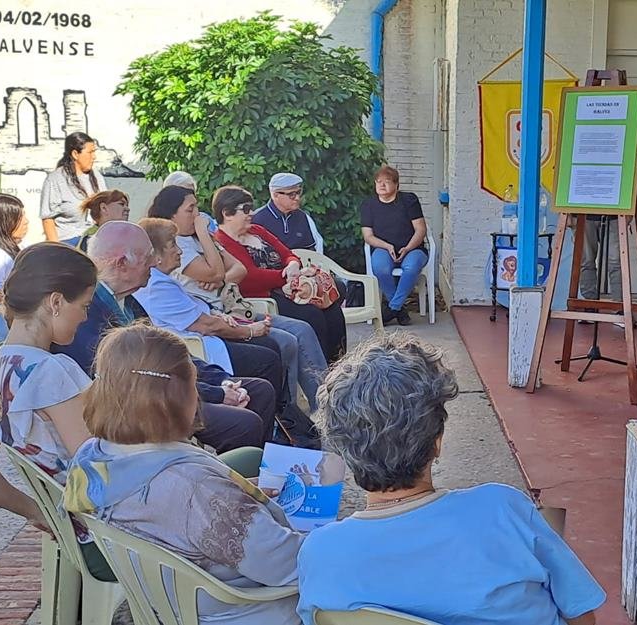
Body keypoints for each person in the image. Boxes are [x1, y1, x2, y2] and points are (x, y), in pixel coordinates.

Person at [296, 333, 606, 625]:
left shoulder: (320, 553)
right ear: (437, 442)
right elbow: (581, 613)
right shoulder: (504, 509)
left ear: (343, 449)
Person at [64, 324, 303, 625]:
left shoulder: (90, 457)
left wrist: (233, 495)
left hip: (163, 600)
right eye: (194, 383)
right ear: (176, 396)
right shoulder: (194, 488)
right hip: (241, 611)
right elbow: (286, 565)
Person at [54, 221, 279, 455]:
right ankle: (219, 479)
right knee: (244, 423)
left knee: (260, 390)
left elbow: (168, 353)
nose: (154, 262)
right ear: (121, 263)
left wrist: (221, 380)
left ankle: (256, 473)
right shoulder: (89, 314)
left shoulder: (129, 301)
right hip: (141, 405)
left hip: (166, 388)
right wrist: (218, 393)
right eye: (147, 257)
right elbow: (135, 381)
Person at [0, 242, 115, 580]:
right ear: (56, 302)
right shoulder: (51, 371)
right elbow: (97, 470)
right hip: (108, 539)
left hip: (75, 532)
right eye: (84, 306)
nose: (86, 317)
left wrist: (37, 511)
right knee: (245, 463)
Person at [134, 217, 285, 390]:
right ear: (156, 255)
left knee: (273, 344)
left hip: (215, 329)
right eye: (173, 245)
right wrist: (249, 331)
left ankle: (283, 412)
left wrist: (217, 314)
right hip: (199, 350)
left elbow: (234, 273)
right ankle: (276, 413)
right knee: (268, 358)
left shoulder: (161, 278)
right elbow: (205, 324)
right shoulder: (156, 285)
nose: (179, 251)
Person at [214, 186, 347, 364]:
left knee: (332, 309)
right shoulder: (222, 241)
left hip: (290, 287)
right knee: (312, 314)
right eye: (245, 209)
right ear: (227, 213)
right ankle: (321, 372)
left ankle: (340, 365)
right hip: (265, 296)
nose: (251, 213)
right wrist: (287, 277)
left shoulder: (257, 231)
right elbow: (250, 277)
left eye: (251, 207)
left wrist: (292, 264)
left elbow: (287, 253)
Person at [361, 165, 428, 326]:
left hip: (413, 248)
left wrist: (408, 248)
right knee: (380, 267)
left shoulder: (409, 200)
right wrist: (387, 246)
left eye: (387, 182)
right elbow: (368, 236)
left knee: (411, 267)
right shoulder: (368, 205)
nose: (382, 185)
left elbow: (420, 229)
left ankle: (393, 308)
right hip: (383, 248)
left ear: (397, 185)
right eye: (378, 182)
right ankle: (399, 310)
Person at [39, 132, 106, 245]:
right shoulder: (55, 179)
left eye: (94, 152)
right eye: (90, 152)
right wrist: (57, 248)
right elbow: (47, 219)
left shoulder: (96, 176)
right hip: (68, 241)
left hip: (94, 238)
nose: (94, 157)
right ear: (75, 154)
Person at [252, 172, 325, 253]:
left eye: (298, 192)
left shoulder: (303, 217)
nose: (297, 198)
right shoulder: (257, 219)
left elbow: (315, 249)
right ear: (275, 195)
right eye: (291, 194)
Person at [0, 193, 29, 305]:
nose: (26, 222)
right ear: (4, 221)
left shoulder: (19, 245)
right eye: (20, 218)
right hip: (4, 317)